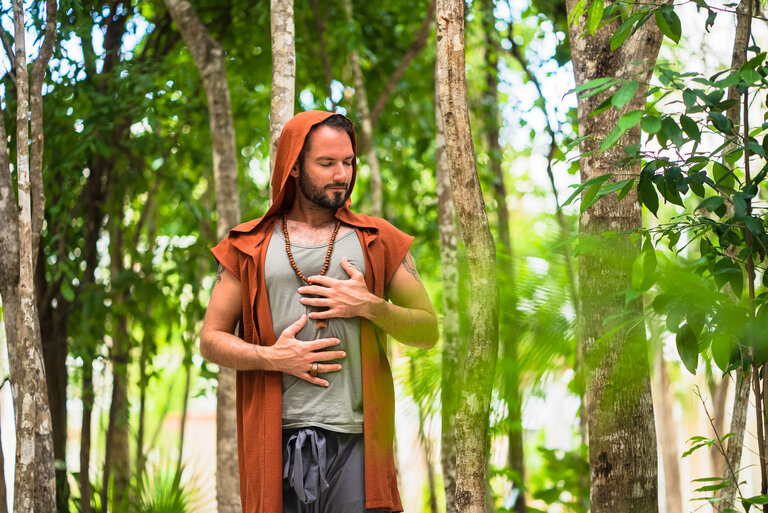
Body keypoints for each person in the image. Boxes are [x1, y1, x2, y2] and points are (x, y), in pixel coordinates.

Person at [200, 110, 438, 513]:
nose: (341, 174)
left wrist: (371, 306)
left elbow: (427, 330)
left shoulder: (377, 239)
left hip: (357, 441)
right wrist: (271, 357)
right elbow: (211, 339)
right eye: (326, 163)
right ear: (294, 167)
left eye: (347, 162)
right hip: (275, 438)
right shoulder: (248, 244)